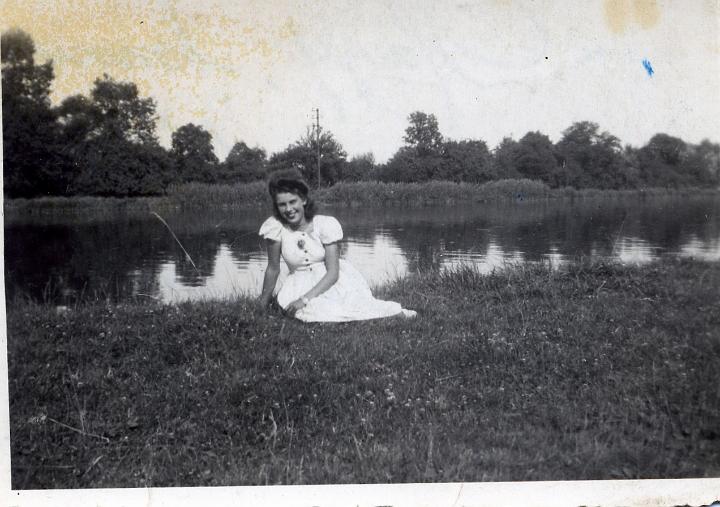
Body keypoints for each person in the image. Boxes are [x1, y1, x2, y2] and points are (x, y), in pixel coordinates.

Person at [258, 170, 416, 322]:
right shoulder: (275, 228)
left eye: (293, 202)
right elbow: (273, 269)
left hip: (329, 281)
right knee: (306, 313)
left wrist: (304, 299)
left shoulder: (324, 224)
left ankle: (395, 313)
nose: (288, 209)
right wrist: (261, 306)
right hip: (297, 284)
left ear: (303, 200)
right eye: (282, 205)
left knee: (334, 309)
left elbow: (333, 273)